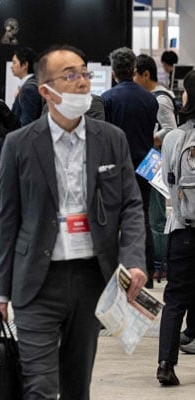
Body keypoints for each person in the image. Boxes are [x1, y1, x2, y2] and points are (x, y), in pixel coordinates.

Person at [0, 44, 147, 400]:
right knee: (40, 388)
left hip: (91, 279)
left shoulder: (111, 139)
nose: (82, 83)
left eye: (85, 74)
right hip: (35, 282)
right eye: (70, 75)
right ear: (45, 91)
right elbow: (9, 219)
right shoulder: (19, 144)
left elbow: (132, 206)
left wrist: (134, 260)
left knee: (77, 387)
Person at [102, 47, 159, 288]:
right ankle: (144, 274)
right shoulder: (150, 99)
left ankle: (118, 275)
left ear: (114, 72)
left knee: (113, 220)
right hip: (146, 164)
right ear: (134, 69)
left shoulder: (108, 99)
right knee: (143, 217)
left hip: (117, 166)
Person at [157, 69, 195, 385]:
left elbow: (168, 179)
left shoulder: (173, 138)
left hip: (182, 228)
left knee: (175, 300)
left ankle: (165, 364)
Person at [133, 53, 179, 283]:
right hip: (155, 159)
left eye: (135, 74)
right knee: (154, 213)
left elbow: (171, 128)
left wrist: (151, 139)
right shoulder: (155, 95)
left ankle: (161, 263)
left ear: (145, 74)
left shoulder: (159, 99)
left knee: (156, 215)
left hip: (157, 160)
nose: (133, 79)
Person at [10, 47, 43, 126]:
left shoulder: (29, 90)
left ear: (25, 64)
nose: (11, 66)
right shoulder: (35, 83)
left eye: (14, 62)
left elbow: (27, 125)